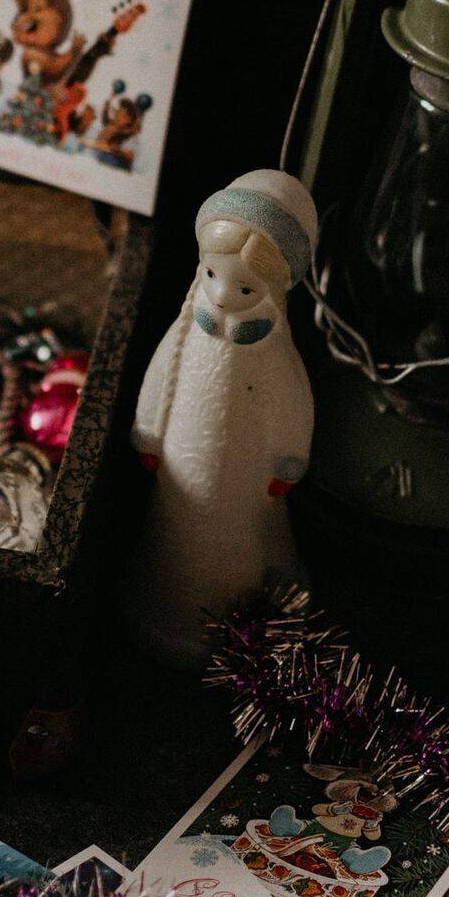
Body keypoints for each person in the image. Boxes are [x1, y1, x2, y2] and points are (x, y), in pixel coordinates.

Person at [129, 169, 317, 668]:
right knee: (175, 531)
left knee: (237, 539)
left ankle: (241, 627)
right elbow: (163, 373)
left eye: (245, 288)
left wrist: (289, 459)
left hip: (245, 473)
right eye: (212, 276)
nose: (222, 296)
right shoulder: (188, 327)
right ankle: (164, 608)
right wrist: (149, 434)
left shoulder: (275, 353)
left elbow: (293, 400)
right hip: (181, 460)